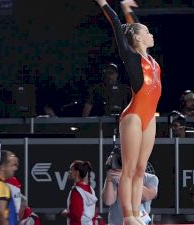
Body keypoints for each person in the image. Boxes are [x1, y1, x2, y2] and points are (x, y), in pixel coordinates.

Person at [93, 0, 162, 224]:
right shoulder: (132, 59)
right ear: (139, 39)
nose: (151, 34)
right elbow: (116, 24)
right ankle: (128, 216)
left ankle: (137, 214)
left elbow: (134, 28)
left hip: (149, 117)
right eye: (147, 32)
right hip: (132, 117)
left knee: (141, 169)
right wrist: (105, 3)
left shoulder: (152, 61)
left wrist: (126, 8)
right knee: (129, 169)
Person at [102, 154, 159, 225]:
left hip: (137, 222)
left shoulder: (151, 178)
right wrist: (109, 179)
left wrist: (127, 179)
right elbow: (108, 201)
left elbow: (148, 195)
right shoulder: (114, 176)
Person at [61, 160, 100, 225]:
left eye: (71, 170)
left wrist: (65, 213)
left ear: (77, 172)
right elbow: (94, 214)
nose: (69, 172)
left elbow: (76, 215)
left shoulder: (76, 191)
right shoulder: (91, 189)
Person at [0, 150, 19, 225]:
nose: (15, 169)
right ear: (3, 166)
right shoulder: (1, 186)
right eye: (13, 165)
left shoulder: (0, 184)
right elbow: (1, 213)